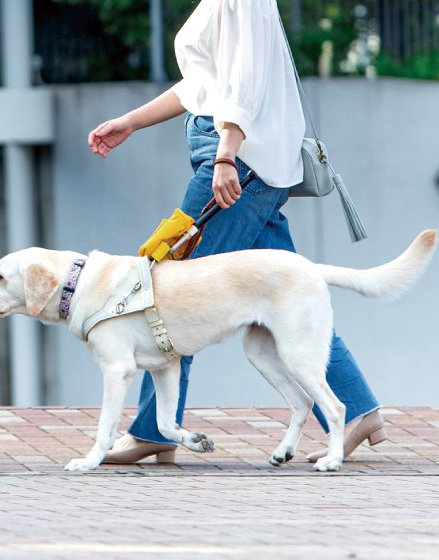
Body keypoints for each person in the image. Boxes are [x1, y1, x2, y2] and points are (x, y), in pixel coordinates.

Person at [87, 0, 386, 464]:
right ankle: (358, 411)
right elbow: (204, 87)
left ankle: (154, 429)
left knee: (167, 290)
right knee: (290, 296)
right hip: (248, 166)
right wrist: (131, 122)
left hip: (236, 166)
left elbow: (244, 88)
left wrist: (225, 156)